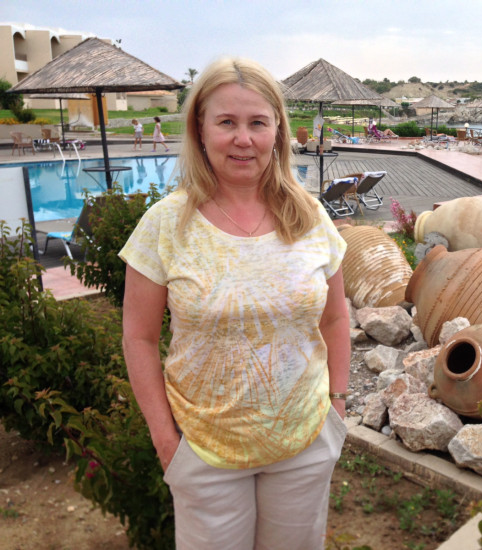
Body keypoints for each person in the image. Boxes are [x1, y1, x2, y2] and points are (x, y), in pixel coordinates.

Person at [120, 57, 351, 550]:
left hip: (305, 442)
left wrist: (337, 404)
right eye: (226, 122)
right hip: (204, 449)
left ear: (277, 131)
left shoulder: (310, 217)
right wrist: (165, 440)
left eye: (257, 123)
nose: (243, 139)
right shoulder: (166, 225)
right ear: (200, 130)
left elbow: (335, 318)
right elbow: (138, 337)